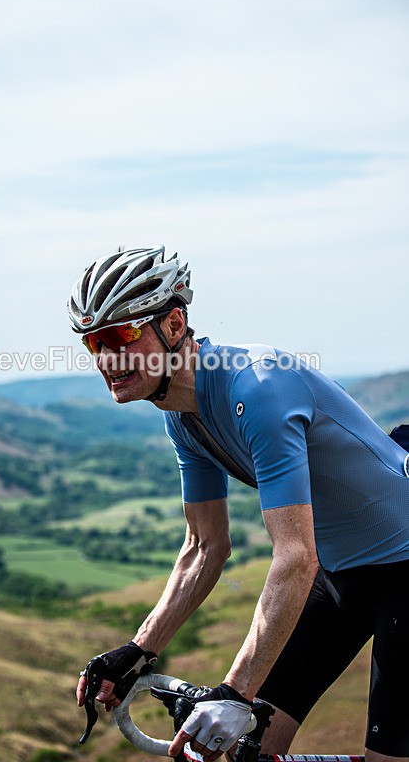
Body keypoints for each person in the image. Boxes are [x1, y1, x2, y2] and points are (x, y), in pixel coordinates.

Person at [67, 246, 409, 762]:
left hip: (404, 564)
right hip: (342, 571)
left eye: (121, 337)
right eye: (94, 342)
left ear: (174, 324)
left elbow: (294, 555)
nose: (105, 360)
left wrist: (234, 691)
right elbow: (205, 546)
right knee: (248, 748)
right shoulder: (182, 417)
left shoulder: (258, 385)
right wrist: (139, 651)